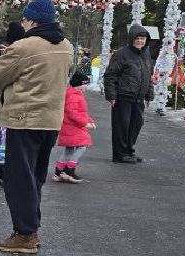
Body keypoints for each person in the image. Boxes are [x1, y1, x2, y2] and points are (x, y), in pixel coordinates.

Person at [0, 0, 73, 254]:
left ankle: (25, 234)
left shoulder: (25, 46)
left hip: (23, 119)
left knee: (18, 178)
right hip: (50, 121)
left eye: (24, 19)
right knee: (34, 177)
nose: (22, 23)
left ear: (33, 20)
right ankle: (30, 228)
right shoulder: (65, 45)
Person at [104, 24, 154, 163]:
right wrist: (111, 95)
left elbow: (147, 76)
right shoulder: (121, 54)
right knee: (122, 126)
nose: (140, 41)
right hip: (123, 96)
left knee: (135, 125)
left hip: (138, 98)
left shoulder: (145, 54)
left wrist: (149, 94)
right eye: (137, 38)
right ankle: (120, 154)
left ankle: (129, 151)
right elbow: (110, 75)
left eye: (143, 38)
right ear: (132, 39)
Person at [0, 22, 26, 187]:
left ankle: (0, 173)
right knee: (4, 142)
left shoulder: (11, 51)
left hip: (5, 106)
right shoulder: (12, 54)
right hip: (5, 107)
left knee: (5, 142)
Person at [54, 71, 96, 183]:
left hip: (69, 127)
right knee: (82, 146)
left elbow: (82, 112)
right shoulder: (73, 96)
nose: (87, 86)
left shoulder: (74, 94)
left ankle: (59, 171)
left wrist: (89, 120)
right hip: (74, 127)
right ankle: (69, 169)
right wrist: (85, 123)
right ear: (79, 84)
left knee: (69, 149)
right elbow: (73, 113)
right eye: (85, 84)